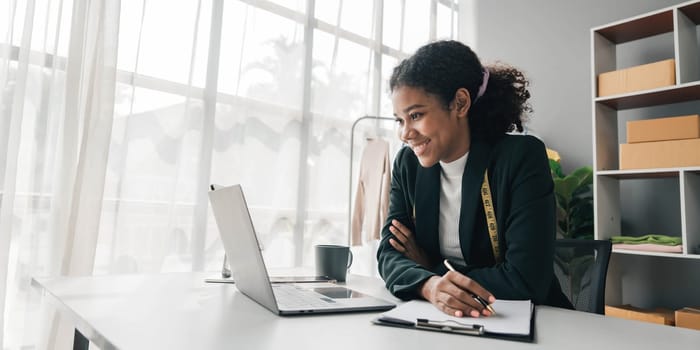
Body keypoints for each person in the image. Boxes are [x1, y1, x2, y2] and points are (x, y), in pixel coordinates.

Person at [377, 40, 572, 318]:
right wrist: (430, 286)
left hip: (532, 321)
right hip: (448, 319)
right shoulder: (407, 164)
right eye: (400, 120)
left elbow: (526, 280)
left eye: (416, 115)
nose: (405, 133)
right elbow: (388, 254)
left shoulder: (521, 158)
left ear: (460, 103)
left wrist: (432, 270)